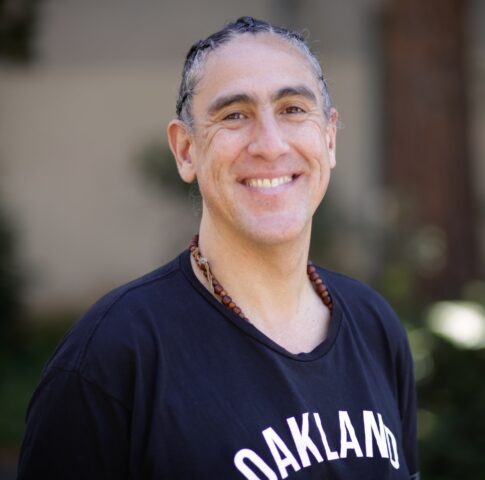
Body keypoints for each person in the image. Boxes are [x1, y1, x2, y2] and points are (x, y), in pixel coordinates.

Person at [17, 16, 419, 480]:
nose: (270, 145)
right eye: (234, 115)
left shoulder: (375, 327)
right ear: (186, 150)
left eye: (292, 109)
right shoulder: (113, 358)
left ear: (328, 137)